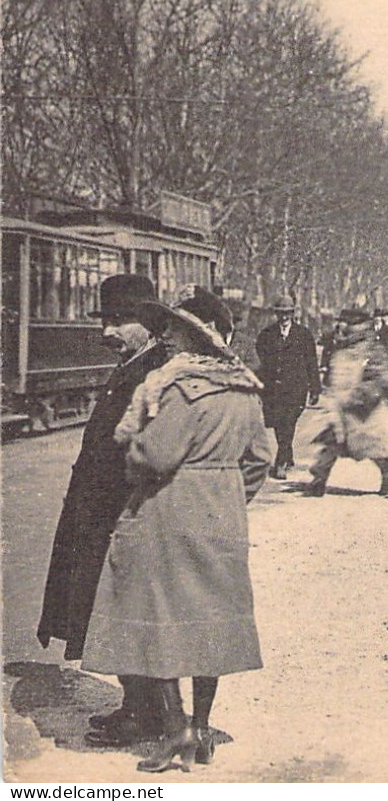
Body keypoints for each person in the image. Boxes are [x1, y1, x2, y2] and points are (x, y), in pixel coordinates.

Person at [80, 289, 272, 774]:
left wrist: (132, 450)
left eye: (173, 331)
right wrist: (227, 495)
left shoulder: (182, 390)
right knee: (210, 620)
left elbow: (153, 457)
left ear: (193, 339)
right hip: (221, 516)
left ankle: (176, 731)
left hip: (167, 514)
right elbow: (262, 460)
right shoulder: (245, 392)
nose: (165, 339)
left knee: (159, 619)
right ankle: (202, 728)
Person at [37, 275, 171, 745]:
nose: (107, 333)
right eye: (106, 321)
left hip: (124, 515)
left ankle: (146, 714)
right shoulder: (135, 364)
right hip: (103, 512)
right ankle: (136, 707)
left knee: (126, 614)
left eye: (119, 321)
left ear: (149, 324)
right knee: (107, 613)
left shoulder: (156, 372)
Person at [305, 308, 388, 497]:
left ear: (360, 326)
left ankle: (387, 470)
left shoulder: (373, 349)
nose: (343, 327)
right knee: (331, 442)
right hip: (339, 405)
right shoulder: (341, 347)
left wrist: (361, 395)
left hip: (364, 411)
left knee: (369, 445)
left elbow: (381, 376)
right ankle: (319, 479)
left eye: (348, 323)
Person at [254, 294, 321, 480]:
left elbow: (312, 363)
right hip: (273, 388)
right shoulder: (266, 335)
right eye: (281, 313)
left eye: (288, 313)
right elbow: (261, 360)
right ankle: (287, 454)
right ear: (276, 314)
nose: (284, 317)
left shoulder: (303, 334)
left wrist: (315, 388)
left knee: (289, 422)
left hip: (295, 388)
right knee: (278, 423)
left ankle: (281, 461)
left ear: (293, 313)